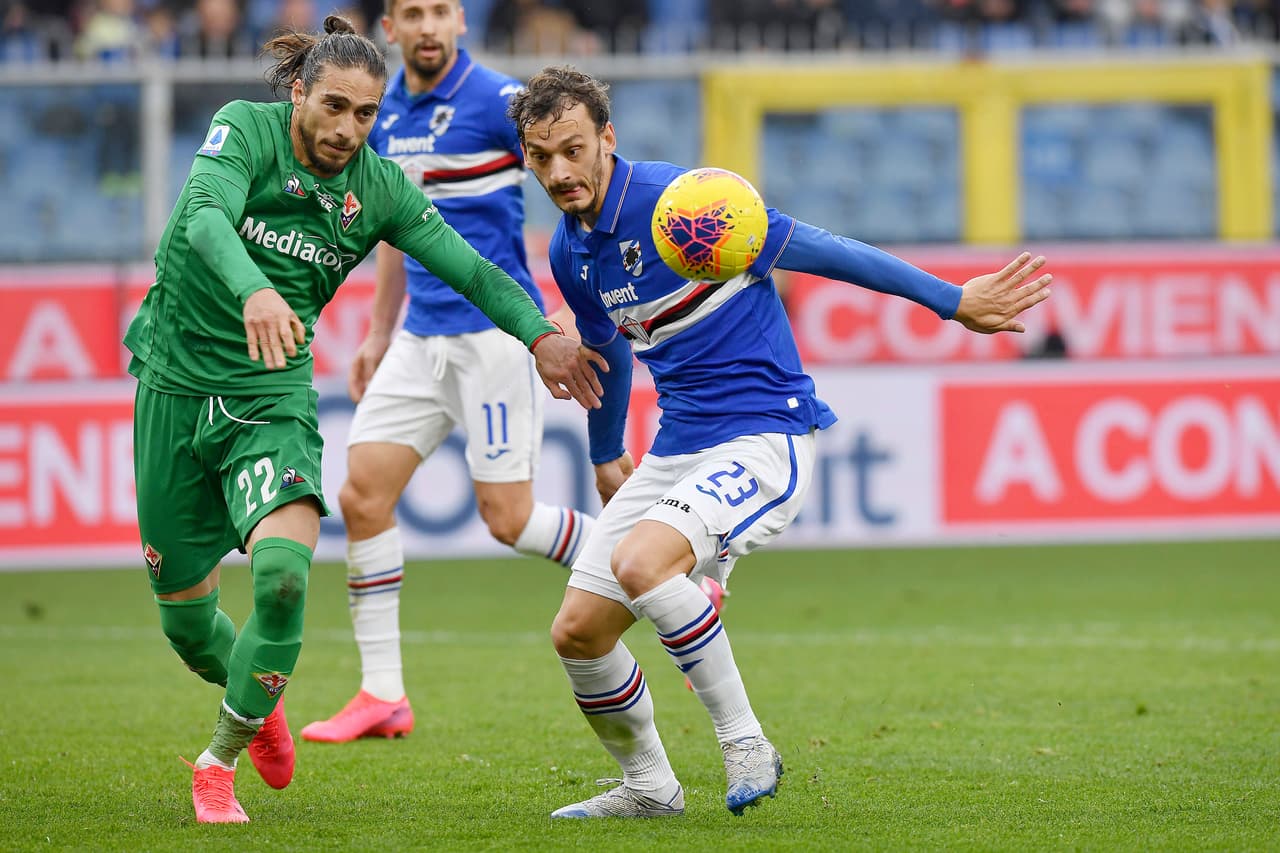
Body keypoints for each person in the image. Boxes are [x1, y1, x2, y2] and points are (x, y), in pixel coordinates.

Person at [507, 65, 1053, 819]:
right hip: (678, 447)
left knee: (641, 563)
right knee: (577, 633)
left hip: (764, 435)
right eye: (542, 157)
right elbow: (610, 351)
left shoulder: (686, 202)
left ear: (607, 137)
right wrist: (606, 451)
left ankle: (744, 740)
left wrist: (952, 299)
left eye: (573, 149)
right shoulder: (572, 254)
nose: (560, 171)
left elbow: (821, 248)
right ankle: (650, 788)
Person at [123, 20, 600, 825]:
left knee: (280, 576)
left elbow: (472, 267)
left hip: (270, 397)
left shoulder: (378, 188)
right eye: (335, 105)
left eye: (368, 113)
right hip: (171, 389)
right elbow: (204, 216)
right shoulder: (244, 129)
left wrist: (541, 335)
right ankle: (260, 701)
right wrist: (256, 290)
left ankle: (219, 760)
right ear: (300, 92)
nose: (348, 128)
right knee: (187, 623)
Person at [301, 0, 600, 745]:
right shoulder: (376, 108)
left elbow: (573, 184)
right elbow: (396, 227)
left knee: (511, 520)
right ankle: (382, 694)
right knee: (361, 495)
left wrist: (568, 307)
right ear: (390, 26)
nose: (428, 26)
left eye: (441, 10)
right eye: (413, 12)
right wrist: (376, 332)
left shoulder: (501, 103)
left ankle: (662, 563)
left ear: (460, 21)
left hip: (496, 337)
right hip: (418, 339)